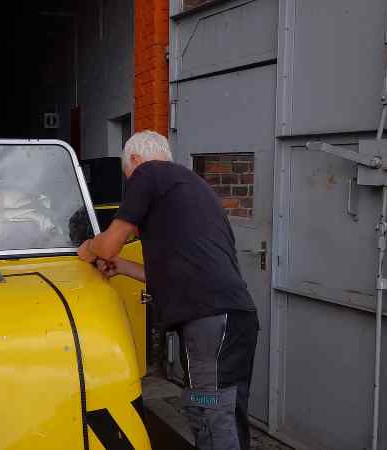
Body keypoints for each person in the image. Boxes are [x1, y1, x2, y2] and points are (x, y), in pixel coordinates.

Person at [77, 130, 259, 450]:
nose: (131, 184)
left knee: (212, 411)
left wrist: (90, 247)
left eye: (128, 175)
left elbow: (107, 245)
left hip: (209, 321)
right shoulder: (190, 186)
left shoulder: (148, 173)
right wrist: (122, 266)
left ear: (134, 160)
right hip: (231, 319)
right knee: (217, 407)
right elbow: (172, 275)